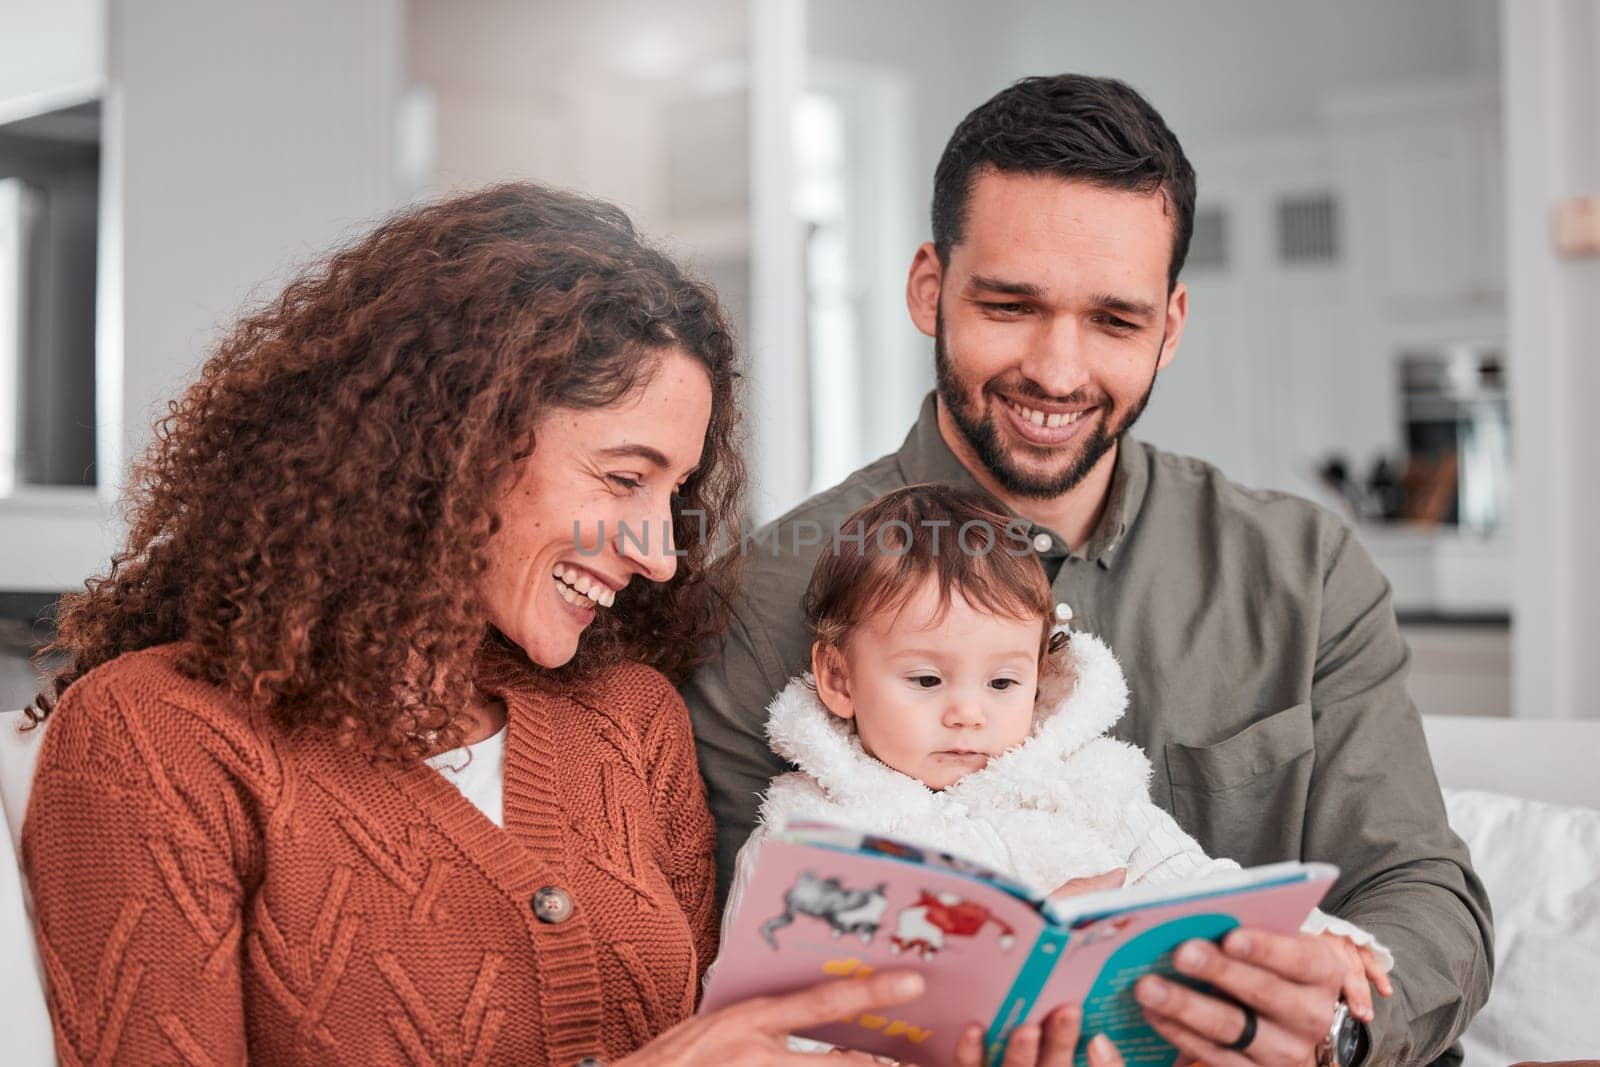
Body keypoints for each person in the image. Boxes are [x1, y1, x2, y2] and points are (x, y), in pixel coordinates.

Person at [18, 182, 1036, 1067]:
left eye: (673, 491)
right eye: (624, 477)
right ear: (453, 442)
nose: (660, 550)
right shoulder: (153, 742)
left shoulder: (629, 722)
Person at [684, 76, 1493, 1066]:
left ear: (1171, 323)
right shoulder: (750, 600)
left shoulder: (1303, 571)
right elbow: (723, 978)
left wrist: (1333, 1028)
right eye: (1011, 305)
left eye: (1114, 321)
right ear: (927, 288)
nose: (1059, 372)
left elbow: (1422, 891)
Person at [711, 484, 1392, 1060]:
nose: (968, 713)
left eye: (1004, 682)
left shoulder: (1083, 783)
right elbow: (738, 1024)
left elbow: (1200, 886)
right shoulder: (804, 834)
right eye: (926, 678)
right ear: (837, 677)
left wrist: (1319, 939)